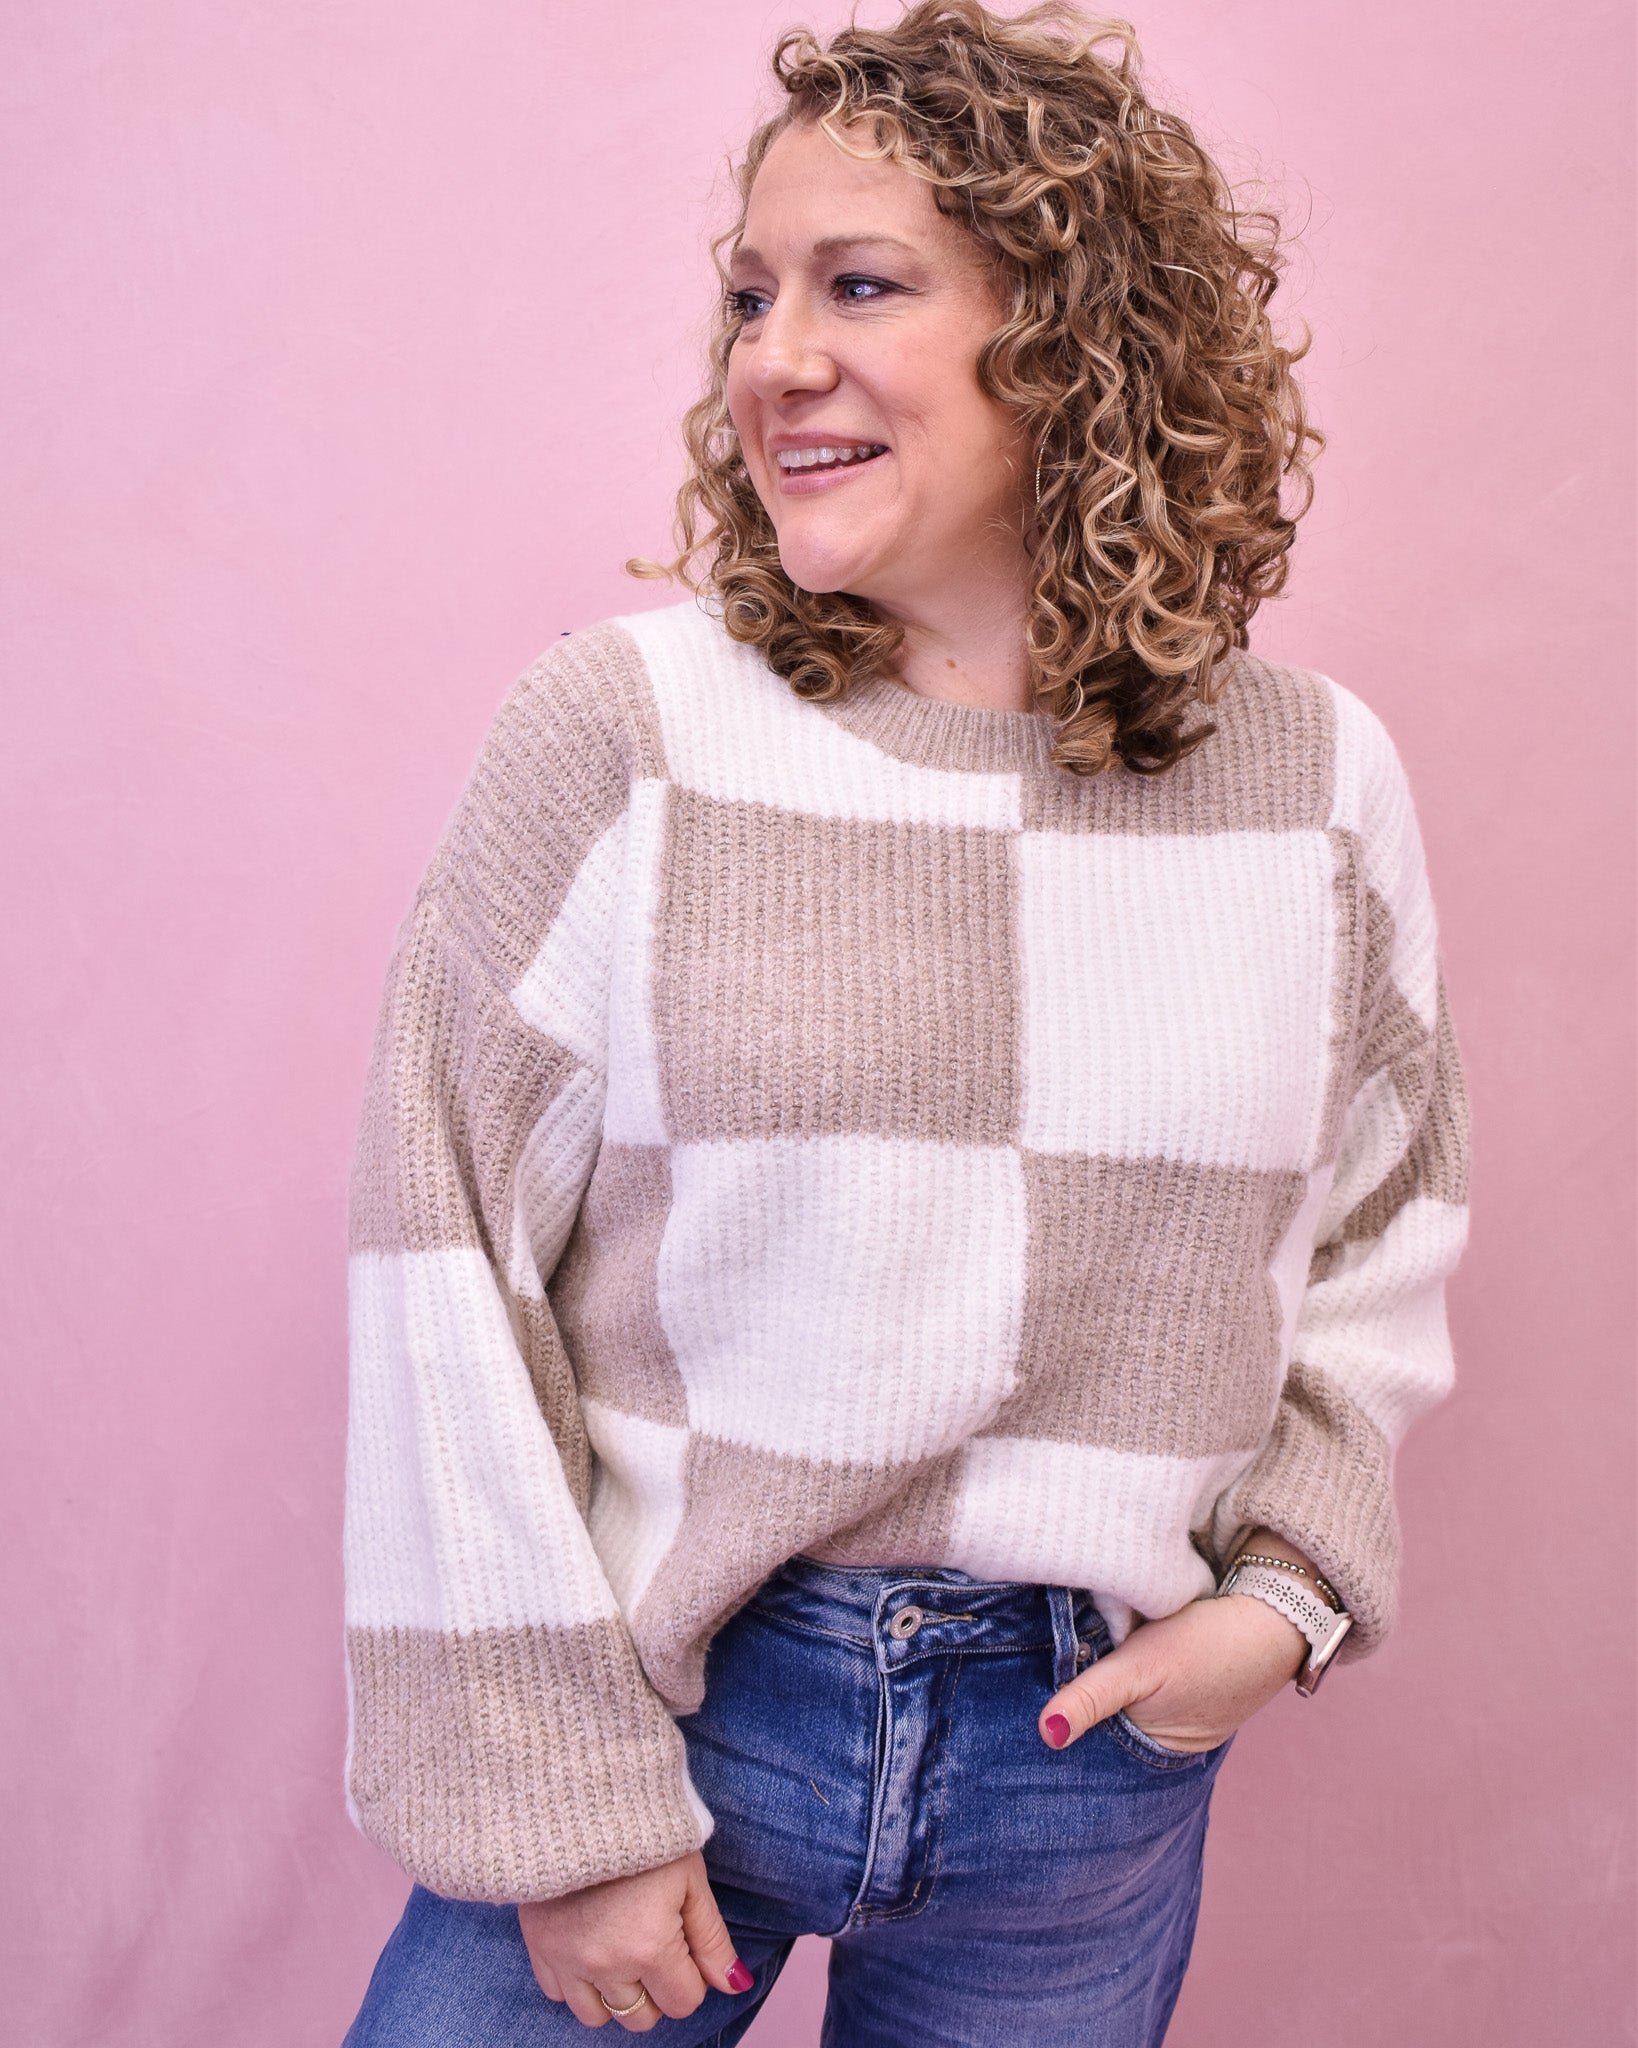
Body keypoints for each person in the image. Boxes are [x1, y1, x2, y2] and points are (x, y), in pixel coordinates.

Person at [339, 5, 1471, 2042]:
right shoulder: (628, 735)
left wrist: (1284, 1599)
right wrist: (563, 1802)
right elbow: (444, 1263)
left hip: (1088, 1763)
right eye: (753, 294)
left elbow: (1388, 1236)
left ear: (1078, 337)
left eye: (860, 284)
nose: (775, 357)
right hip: (682, 1710)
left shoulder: (1314, 775)